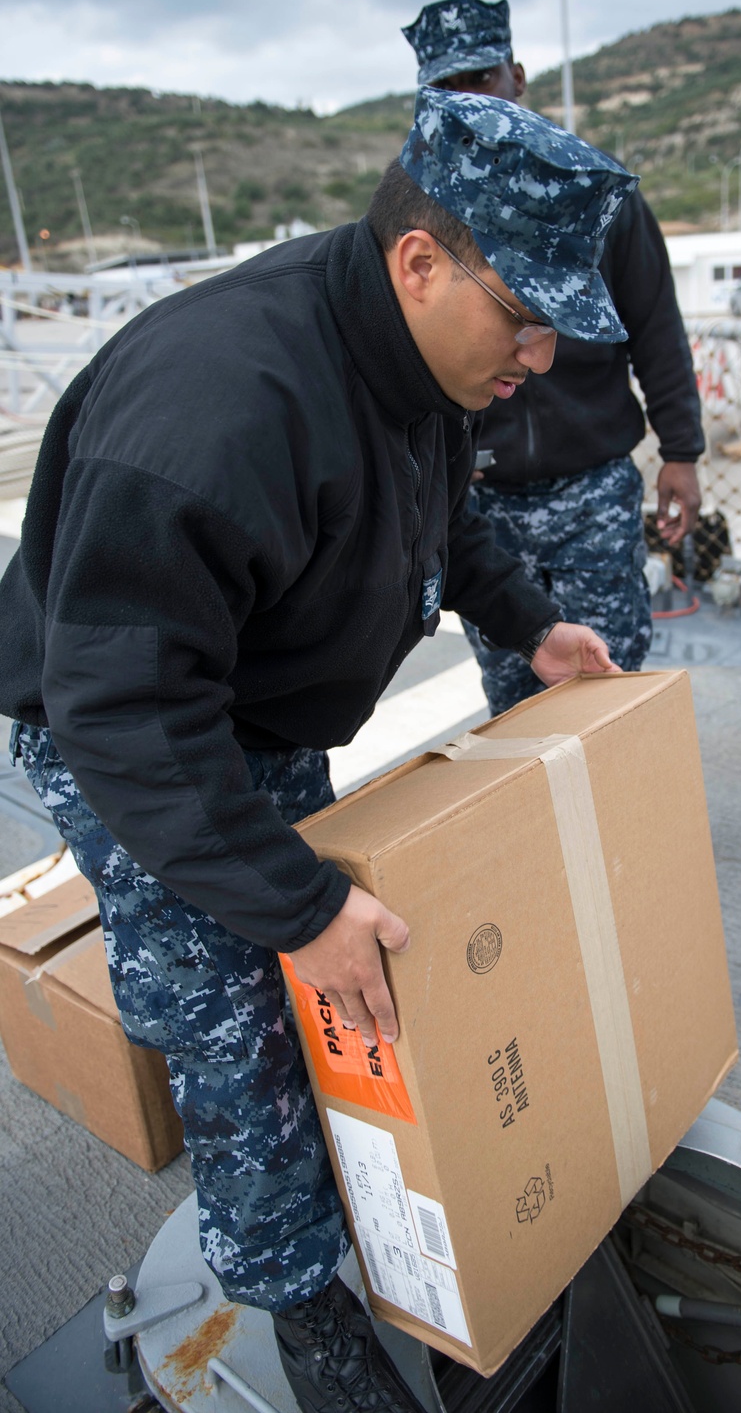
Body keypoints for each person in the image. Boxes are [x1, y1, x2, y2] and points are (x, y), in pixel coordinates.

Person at [0, 89, 637, 1413]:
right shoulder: (219, 405)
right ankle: (298, 1299)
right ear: (420, 262)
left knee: (330, 990)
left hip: (251, 701)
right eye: (525, 318)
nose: (538, 356)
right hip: (129, 727)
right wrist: (292, 903)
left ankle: (373, 1201)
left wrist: (534, 620)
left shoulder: (420, 365)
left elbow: (441, 519)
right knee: (235, 1022)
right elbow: (123, 706)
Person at [403, 0, 705, 715]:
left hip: (591, 489)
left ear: (518, 75)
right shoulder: (417, 209)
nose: (471, 102)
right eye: (448, 90)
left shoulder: (592, 193)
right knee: (511, 694)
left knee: (611, 683)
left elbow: (656, 326)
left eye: (483, 78)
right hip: (481, 504)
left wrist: (683, 451)